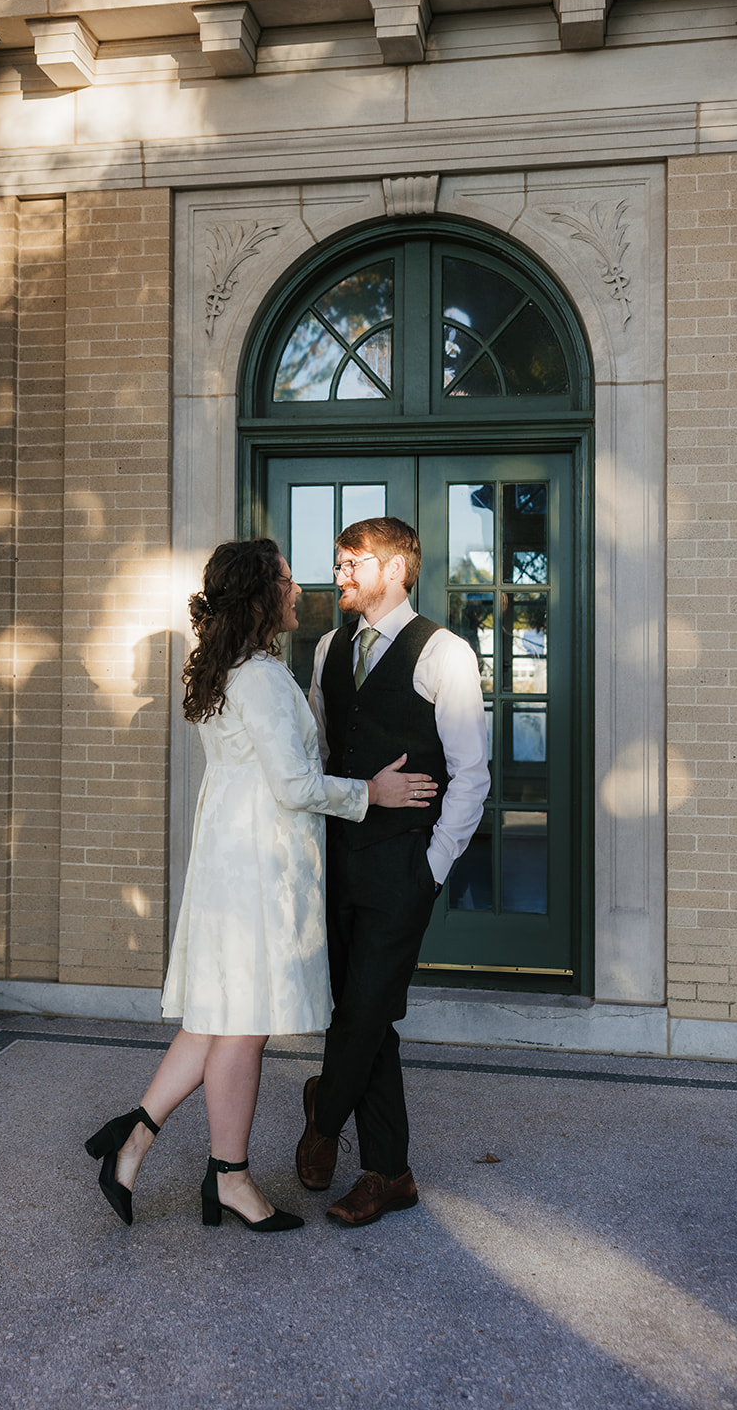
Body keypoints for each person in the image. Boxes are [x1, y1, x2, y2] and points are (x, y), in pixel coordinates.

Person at [85, 538, 438, 1233]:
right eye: (283, 579)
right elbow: (294, 784)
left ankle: (134, 1142)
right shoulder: (262, 678)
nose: (297, 587)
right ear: (258, 596)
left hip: (228, 865)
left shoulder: (230, 670)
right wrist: (374, 790)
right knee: (240, 1031)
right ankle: (226, 1180)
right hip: (257, 875)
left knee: (214, 1021)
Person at [296, 517, 491, 1227]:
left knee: (364, 1007)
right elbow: (321, 751)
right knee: (365, 1016)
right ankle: (389, 1172)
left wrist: (431, 867)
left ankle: (325, 1114)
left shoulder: (444, 652)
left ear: (395, 569)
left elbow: (471, 775)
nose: (339, 575)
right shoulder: (325, 648)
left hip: (402, 865)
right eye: (338, 562)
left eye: (352, 564)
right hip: (336, 859)